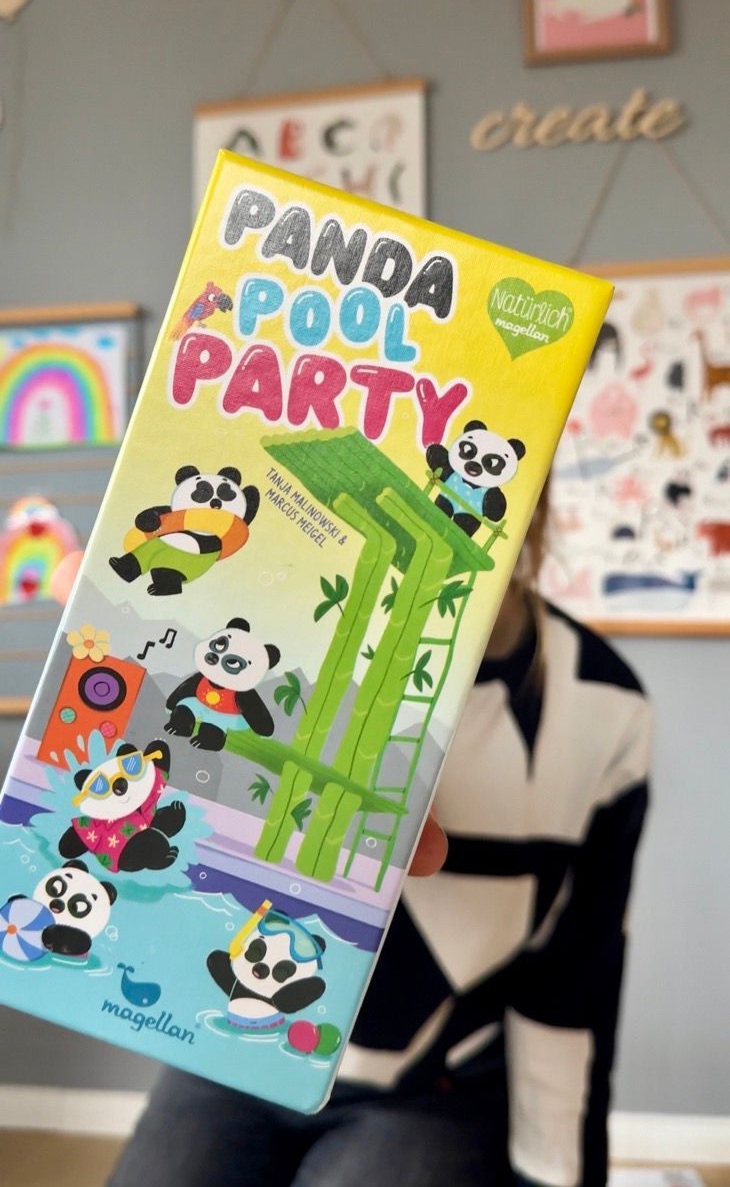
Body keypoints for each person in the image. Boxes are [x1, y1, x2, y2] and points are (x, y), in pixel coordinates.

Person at [51, 485, 652, 1187]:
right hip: (233, 1045)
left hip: (429, 1088)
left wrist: (554, 1176)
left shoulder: (602, 707)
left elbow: (572, 982)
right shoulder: (279, 643)